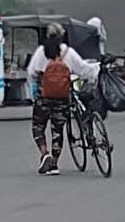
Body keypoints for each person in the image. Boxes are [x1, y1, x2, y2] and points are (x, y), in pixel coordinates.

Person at [26, 23, 100, 176]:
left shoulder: (41, 51)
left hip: (44, 96)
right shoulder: (69, 52)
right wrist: (96, 69)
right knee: (57, 129)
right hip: (62, 96)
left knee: (38, 126)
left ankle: (44, 153)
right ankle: (54, 164)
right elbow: (83, 70)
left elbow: (31, 72)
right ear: (61, 36)